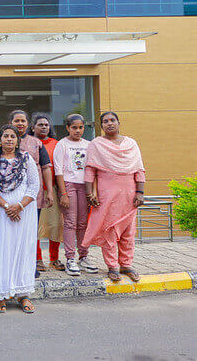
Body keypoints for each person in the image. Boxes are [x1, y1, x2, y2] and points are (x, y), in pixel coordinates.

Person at [0, 124, 40, 314]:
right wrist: (7, 206)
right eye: (5, 136)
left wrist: (19, 206)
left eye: (12, 137)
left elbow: (34, 185)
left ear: (17, 140)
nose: (8, 139)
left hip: (23, 213)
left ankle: (23, 294)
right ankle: (1, 295)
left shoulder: (26, 159)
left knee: (22, 249)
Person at [82, 112, 146, 283]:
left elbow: (139, 169)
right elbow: (89, 170)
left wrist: (140, 192)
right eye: (105, 121)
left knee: (128, 231)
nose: (109, 123)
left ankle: (126, 264)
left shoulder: (131, 144)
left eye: (112, 120)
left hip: (129, 194)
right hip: (107, 193)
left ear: (119, 123)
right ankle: (112, 266)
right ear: (101, 126)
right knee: (109, 230)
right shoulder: (96, 144)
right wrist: (90, 193)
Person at [9, 109, 54, 278]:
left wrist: (49, 191)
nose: (20, 124)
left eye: (23, 121)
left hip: (32, 194)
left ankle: (29, 266)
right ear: (10, 123)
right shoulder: (4, 140)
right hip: (10, 194)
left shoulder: (36, 143)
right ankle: (11, 265)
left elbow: (46, 167)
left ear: (28, 124)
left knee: (30, 231)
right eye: (16, 121)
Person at [53, 114, 96, 276]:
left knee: (83, 222)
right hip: (69, 185)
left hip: (85, 186)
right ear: (67, 128)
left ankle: (83, 256)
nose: (78, 131)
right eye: (74, 127)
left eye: (80, 127)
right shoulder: (62, 145)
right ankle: (70, 258)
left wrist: (92, 191)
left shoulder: (89, 145)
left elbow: (92, 169)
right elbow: (58, 170)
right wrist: (63, 193)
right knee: (70, 222)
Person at [32, 112, 64, 272]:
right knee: (35, 227)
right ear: (33, 128)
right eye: (40, 124)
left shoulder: (57, 144)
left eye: (46, 124)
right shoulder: (30, 143)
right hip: (35, 192)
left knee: (55, 225)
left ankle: (54, 258)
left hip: (53, 190)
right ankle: (37, 259)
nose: (44, 127)